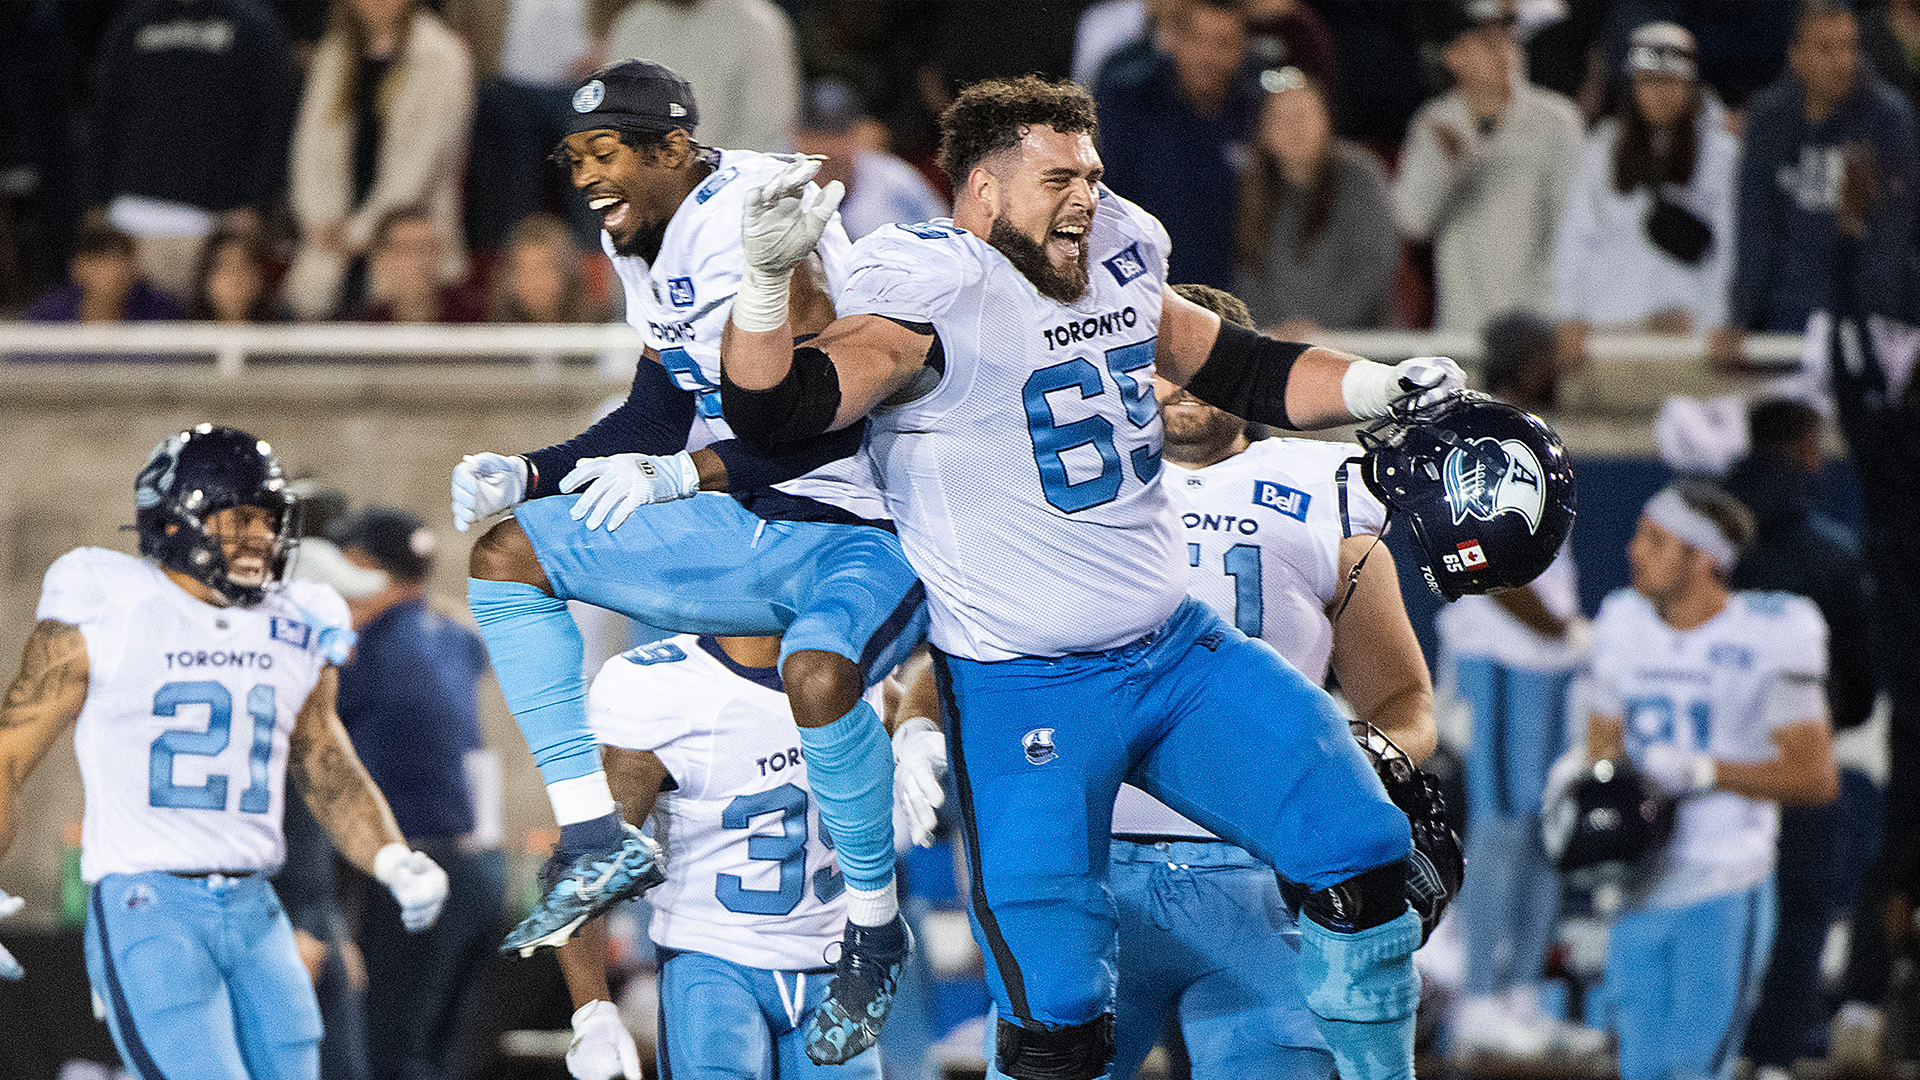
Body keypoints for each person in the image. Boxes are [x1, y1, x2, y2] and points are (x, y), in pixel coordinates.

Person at [717, 74, 1501, 1080]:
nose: (1086, 195)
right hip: (1025, 688)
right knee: (1060, 1026)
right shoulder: (931, 288)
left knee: (1363, 849)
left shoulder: (1114, 260)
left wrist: (1376, 386)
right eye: (1058, 177)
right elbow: (778, 409)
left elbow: (1244, 368)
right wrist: (763, 287)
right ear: (985, 192)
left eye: (1092, 172)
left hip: (1177, 653)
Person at [448, 61, 925, 1064]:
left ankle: (876, 931)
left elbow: (816, 417)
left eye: (606, 152)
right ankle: (592, 835)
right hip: (743, 518)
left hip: (846, 524)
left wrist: (682, 477)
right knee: (506, 553)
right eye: (575, 156)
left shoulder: (762, 215)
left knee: (821, 678)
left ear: (673, 148)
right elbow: (661, 404)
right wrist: (529, 472)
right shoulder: (643, 231)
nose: (585, 176)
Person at [0, 425, 451, 1080]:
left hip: (257, 909)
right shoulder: (110, 606)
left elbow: (323, 756)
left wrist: (390, 854)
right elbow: (10, 750)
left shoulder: (296, 618)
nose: (261, 539)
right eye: (240, 518)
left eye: (269, 520)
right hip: (147, 901)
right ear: (178, 518)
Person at [1102, 282, 1436, 1080]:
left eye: (1195, 362)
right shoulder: (1074, 483)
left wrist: (1360, 767)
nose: (1176, 383)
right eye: (1154, 364)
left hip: (1263, 870)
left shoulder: (1328, 488)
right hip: (1094, 863)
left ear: (1240, 372)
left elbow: (1403, 700)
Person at [551, 632, 947, 1080]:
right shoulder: (669, 689)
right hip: (714, 963)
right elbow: (586, 862)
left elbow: (947, 660)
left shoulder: (851, 666)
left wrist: (919, 728)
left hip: (838, 967)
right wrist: (592, 1008)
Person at [1581, 481, 1841, 1080]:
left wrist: (1706, 771)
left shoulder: (1769, 633)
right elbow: (1602, 750)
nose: (1633, 550)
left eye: (1655, 539)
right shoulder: (1623, 622)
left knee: (1696, 1069)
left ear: (1704, 558)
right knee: (1641, 1068)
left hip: (1724, 882)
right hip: (1638, 886)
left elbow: (1815, 777)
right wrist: (1584, 790)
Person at [1437, 309, 1593, 1057]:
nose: (1558, 365)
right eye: (1546, 355)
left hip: (1545, 665)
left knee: (1541, 828)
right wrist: (1556, 629)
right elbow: (1482, 554)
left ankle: (1523, 991)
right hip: (1499, 656)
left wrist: (1561, 640)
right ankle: (1475, 998)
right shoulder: (1483, 436)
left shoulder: (1527, 429)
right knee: (1501, 828)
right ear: (1521, 359)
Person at [1719, 398, 1876, 1077]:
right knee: (1801, 906)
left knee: (1710, 901)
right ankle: (1775, 1059)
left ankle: (1712, 1052)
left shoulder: (1695, 540)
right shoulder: (1832, 554)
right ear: (1810, 446)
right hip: (1798, 764)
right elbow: (1862, 684)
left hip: (1713, 764)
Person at [333, 507, 506, 1080]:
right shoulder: (449, 636)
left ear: (363, 566)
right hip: (481, 872)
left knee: (391, 1054)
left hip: (421, 872)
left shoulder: (369, 652)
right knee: (439, 1055)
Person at [1715, 0, 1918, 365]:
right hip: (1784, 318)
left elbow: (1891, 240)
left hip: (1866, 320)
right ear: (1797, 56)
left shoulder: (1889, 120)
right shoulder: (1767, 119)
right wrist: (1741, 317)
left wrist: (1873, 327)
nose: (1842, 61)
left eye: (1848, 46)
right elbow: (1757, 228)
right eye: (1826, 48)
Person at [82, 0, 297, 298]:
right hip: (133, 217)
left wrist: (255, 203)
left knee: (208, 334)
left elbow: (276, 119)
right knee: (140, 337)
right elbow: (104, 115)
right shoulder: (133, 23)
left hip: (218, 223)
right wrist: (97, 201)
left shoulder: (253, 24)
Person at [1552, 23, 1738, 361]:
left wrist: (1713, 319)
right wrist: (1570, 314)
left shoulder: (1722, 156)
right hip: (1609, 333)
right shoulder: (1601, 150)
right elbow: (1575, 238)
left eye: (1670, 80)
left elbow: (1727, 249)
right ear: (1633, 86)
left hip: (1691, 337)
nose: (1659, 91)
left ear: (1690, 84)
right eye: (1648, 80)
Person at [1393, 0, 1582, 332]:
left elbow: (1573, 228)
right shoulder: (1436, 123)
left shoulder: (1557, 119)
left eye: (1509, 39)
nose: (1504, 52)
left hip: (1538, 330)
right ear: (1454, 56)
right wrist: (1448, 166)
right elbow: (1413, 223)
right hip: (1464, 329)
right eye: (1488, 43)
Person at [285, 0, 474, 320]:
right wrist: (317, 219)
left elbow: (417, 166)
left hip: (407, 248)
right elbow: (308, 150)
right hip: (331, 244)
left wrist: (357, 233)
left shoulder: (443, 55)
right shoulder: (334, 54)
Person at [1095, 0, 1261, 289]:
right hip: (1143, 285)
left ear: (1241, 49)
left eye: (1223, 43)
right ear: (1172, 39)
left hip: (1237, 292)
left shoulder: (1257, 107)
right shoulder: (1129, 97)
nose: (1208, 56)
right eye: (1196, 39)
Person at [1234, 66, 1398, 334]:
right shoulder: (1249, 187)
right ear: (1263, 131)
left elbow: (1372, 263)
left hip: (1356, 345)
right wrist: (1273, 330)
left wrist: (1320, 327)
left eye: (1304, 115)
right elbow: (1245, 271)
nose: (1294, 128)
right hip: (1275, 345)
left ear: (1325, 119)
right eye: (1281, 118)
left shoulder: (1360, 175)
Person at [603, 0, 801, 154]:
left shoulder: (757, 21)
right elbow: (617, 119)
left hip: (737, 183)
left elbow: (768, 131)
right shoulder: (634, 24)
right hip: (655, 183)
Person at [794, 79, 946, 241]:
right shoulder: (774, 178)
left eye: (836, 135)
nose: (826, 148)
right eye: (816, 135)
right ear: (796, 136)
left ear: (857, 135)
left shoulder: (895, 179)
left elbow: (945, 234)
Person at [27, 221, 185, 324]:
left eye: (122, 259)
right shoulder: (50, 314)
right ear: (78, 267)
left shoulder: (160, 311)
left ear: (137, 269)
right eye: (101, 260)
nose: (113, 270)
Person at [353, 206, 488, 323]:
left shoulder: (476, 318)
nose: (424, 260)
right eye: (411, 249)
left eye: (431, 248)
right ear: (381, 260)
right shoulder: (366, 326)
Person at [489, 212, 607, 323]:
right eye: (525, 270)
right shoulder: (492, 336)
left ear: (567, 272)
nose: (534, 283)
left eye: (543, 269)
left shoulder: (598, 331)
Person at [191, 223, 292, 323]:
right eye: (225, 266)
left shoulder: (287, 329)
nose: (235, 277)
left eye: (244, 266)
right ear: (206, 277)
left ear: (260, 276)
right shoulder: (184, 331)